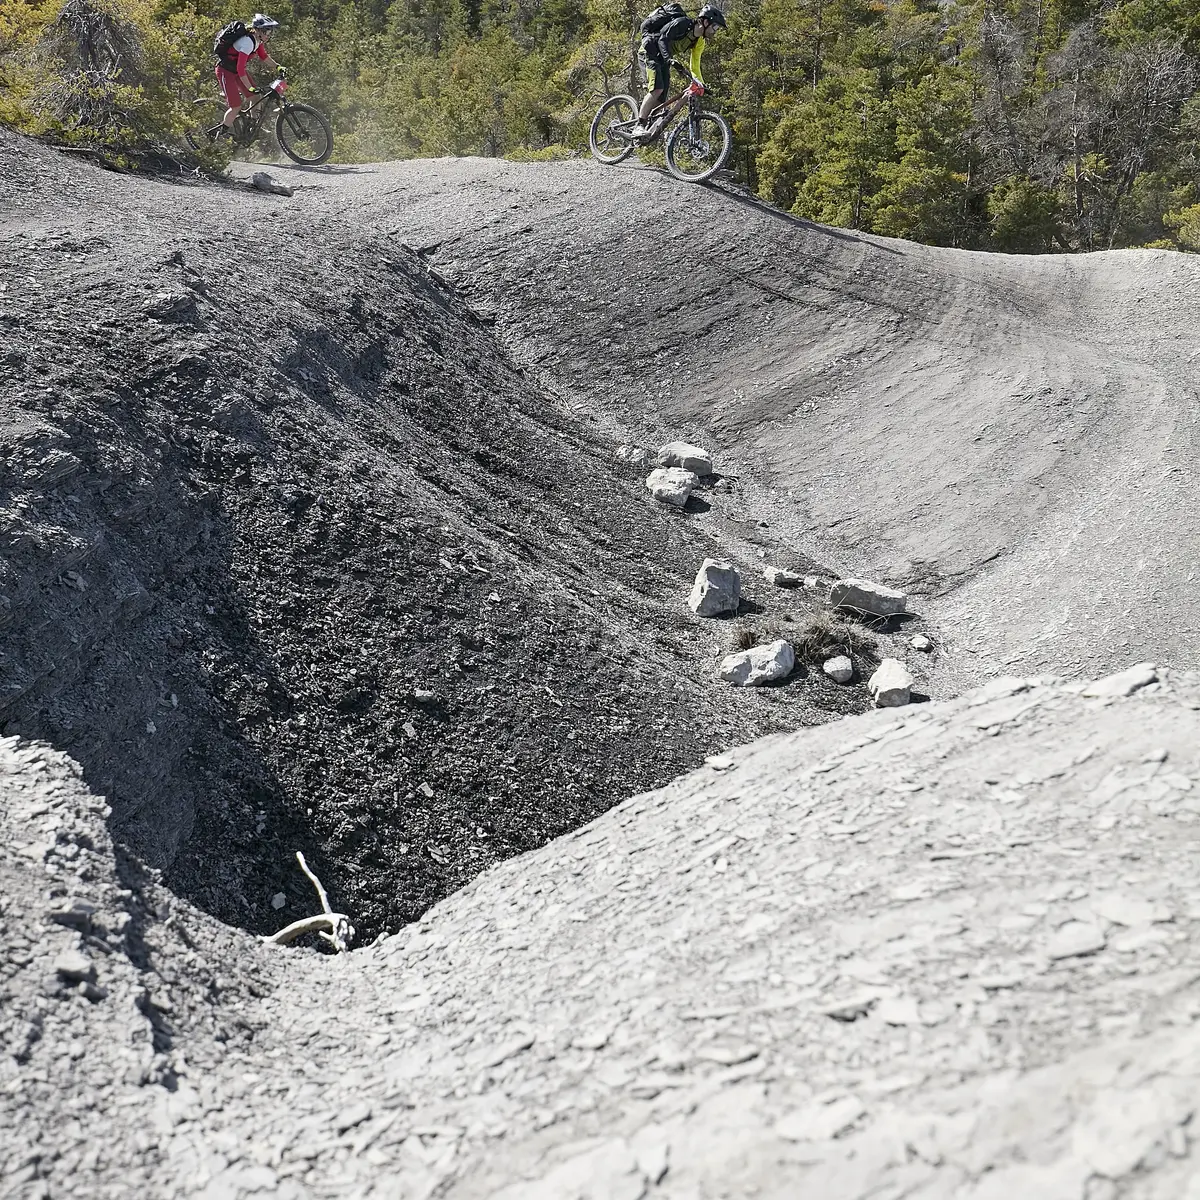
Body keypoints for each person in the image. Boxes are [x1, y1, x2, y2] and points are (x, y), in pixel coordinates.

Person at [630, 4, 726, 139]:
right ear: (705, 22)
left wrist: (701, 84)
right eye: (715, 27)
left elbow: (695, 65)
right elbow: (663, 39)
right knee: (657, 89)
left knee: (661, 99)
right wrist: (670, 59)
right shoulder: (683, 24)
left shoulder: (699, 41)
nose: (715, 31)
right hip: (649, 51)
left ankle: (647, 130)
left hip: (663, 59)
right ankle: (639, 126)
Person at [211, 13, 284, 139]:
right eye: (266, 31)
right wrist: (249, 87)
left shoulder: (257, 40)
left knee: (255, 97)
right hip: (225, 71)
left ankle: (252, 126)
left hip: (236, 72)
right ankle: (218, 134)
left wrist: (278, 66)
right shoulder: (247, 42)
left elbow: (264, 57)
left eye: (270, 32)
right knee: (235, 107)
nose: (268, 35)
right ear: (258, 30)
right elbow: (240, 69)